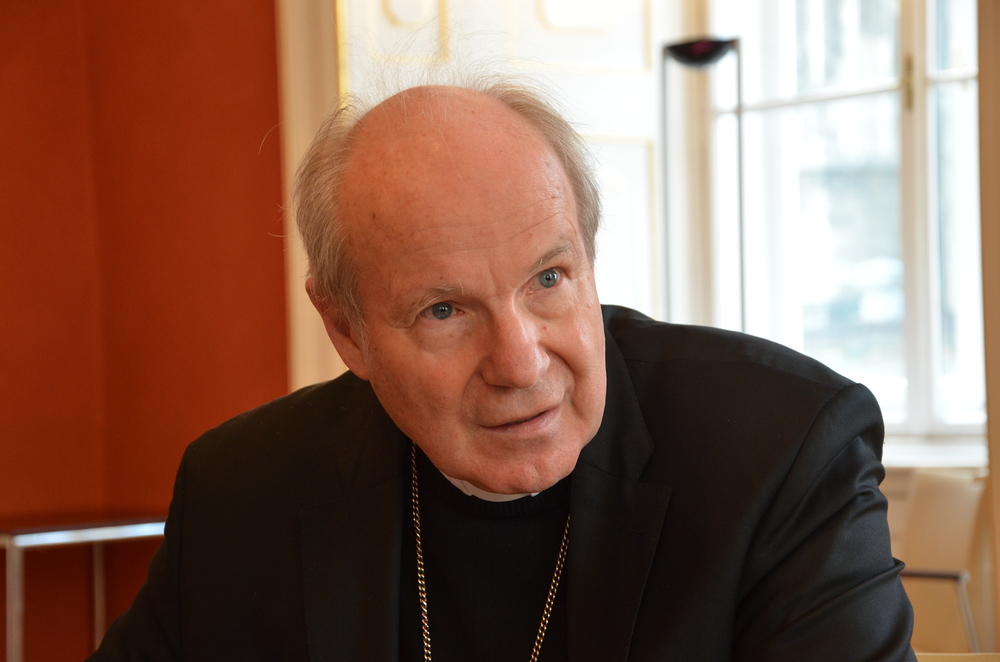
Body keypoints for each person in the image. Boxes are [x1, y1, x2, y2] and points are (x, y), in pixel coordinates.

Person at [89, 77, 916, 661]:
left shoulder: (781, 453)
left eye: (549, 279)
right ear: (346, 330)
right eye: (444, 310)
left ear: (589, 260)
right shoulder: (242, 490)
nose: (520, 363)